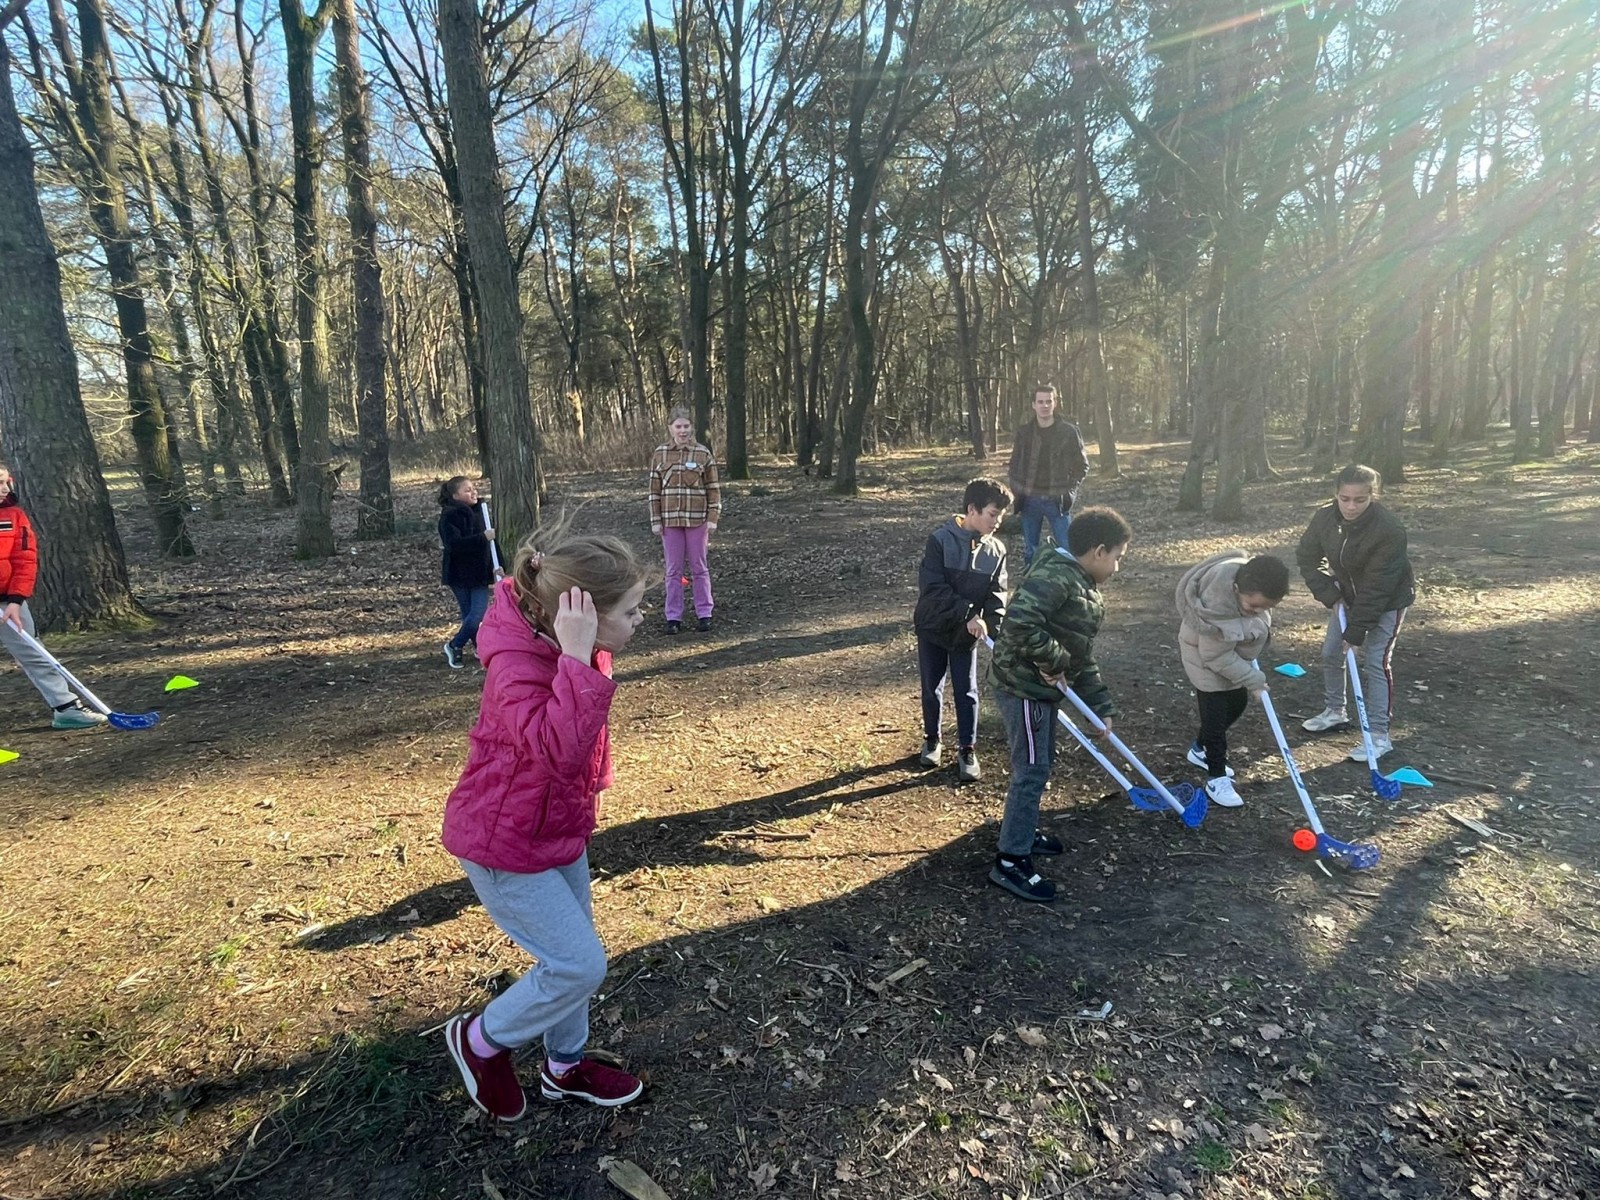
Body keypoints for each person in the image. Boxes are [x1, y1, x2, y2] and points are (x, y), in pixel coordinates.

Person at [441, 524, 651, 1119]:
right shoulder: (519, 664)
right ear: (581, 617)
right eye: (630, 610)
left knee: (571, 961)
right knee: (579, 965)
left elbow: (582, 746)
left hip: (557, 829)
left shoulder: (567, 646)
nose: (640, 619)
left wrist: (594, 790)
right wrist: (580, 659)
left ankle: (564, 1069)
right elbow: (557, 750)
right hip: (504, 843)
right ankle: (481, 1041)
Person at [986, 506, 1131, 902]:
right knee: (1031, 769)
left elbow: (1080, 654)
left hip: (1040, 689)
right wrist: (1055, 660)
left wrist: (1100, 705)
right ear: (1098, 551)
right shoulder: (1056, 576)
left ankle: (1022, 829)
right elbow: (1018, 623)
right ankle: (1010, 860)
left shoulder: (1080, 582)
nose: (1117, 566)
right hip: (1023, 688)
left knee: (1042, 761)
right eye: (1117, 557)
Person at [1295, 464, 1416, 759]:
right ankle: (1335, 711)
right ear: (1336, 494)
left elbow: (1378, 587)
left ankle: (1379, 735)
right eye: (1344, 499)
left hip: (1388, 601)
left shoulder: (1389, 529)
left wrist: (1356, 630)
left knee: (1376, 661)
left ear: (1373, 496)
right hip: (1346, 597)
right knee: (1331, 653)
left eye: (1360, 500)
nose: (1351, 506)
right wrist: (1330, 594)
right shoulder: (1325, 518)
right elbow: (1307, 557)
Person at [913, 478, 1012, 783]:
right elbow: (933, 588)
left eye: (1000, 516)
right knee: (931, 686)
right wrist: (969, 613)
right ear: (972, 509)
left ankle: (967, 749)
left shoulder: (996, 550)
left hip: (964, 636)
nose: (997, 522)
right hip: (933, 626)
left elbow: (997, 595)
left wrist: (991, 626)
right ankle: (932, 739)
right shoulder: (940, 540)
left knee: (966, 690)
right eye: (992, 514)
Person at [1175, 552, 1291, 808]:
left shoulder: (1249, 586)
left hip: (1230, 654)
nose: (1258, 612)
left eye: (1265, 608)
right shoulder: (1217, 608)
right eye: (1253, 607)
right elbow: (1215, 656)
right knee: (1215, 722)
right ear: (1236, 589)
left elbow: (1240, 632)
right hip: (1204, 659)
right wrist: (1254, 680)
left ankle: (1198, 749)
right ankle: (1216, 778)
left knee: (1237, 703)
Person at [0, 465, 105, 730]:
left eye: (5, 482)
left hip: (7, 602)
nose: (4, 489)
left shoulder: (14, 515)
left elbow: (24, 559)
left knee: (34, 652)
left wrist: (16, 600)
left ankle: (66, 709)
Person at [648, 408, 721, 634]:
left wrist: (712, 518)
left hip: (697, 520)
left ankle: (704, 613)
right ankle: (673, 617)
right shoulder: (660, 454)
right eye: (678, 426)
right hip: (670, 521)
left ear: (692, 428)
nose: (682, 431)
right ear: (670, 428)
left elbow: (713, 489)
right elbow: (654, 491)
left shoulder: (702, 453)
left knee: (699, 567)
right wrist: (655, 519)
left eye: (686, 426)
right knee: (673, 570)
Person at [1006, 384, 1090, 568]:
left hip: (1057, 499)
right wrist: (1018, 490)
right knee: (1031, 550)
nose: (1045, 406)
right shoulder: (1024, 433)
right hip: (1029, 499)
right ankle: (1032, 580)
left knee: (1067, 549)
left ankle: (1069, 581)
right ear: (1033, 405)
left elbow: (1082, 466)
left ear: (1055, 403)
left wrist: (1069, 491)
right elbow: (1014, 464)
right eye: (1040, 402)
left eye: (1048, 401)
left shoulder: (1069, 432)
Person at [438, 476, 498, 669]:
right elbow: (453, 544)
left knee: (477, 614)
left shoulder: (481, 511)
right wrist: (482, 538)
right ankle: (457, 646)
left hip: (480, 573)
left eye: (473, 488)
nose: (473, 492)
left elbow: (492, 544)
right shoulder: (449, 516)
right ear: (455, 496)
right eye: (467, 490)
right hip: (459, 574)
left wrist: (498, 565)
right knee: (471, 615)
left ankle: (461, 645)